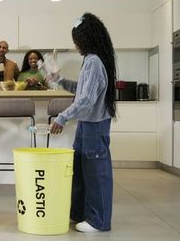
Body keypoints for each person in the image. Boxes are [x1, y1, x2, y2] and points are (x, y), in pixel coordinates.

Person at [47, 13, 117, 233]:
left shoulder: (94, 61)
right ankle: (78, 213)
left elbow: (86, 99)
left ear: (86, 39)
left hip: (94, 126)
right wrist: (60, 80)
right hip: (87, 125)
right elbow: (82, 90)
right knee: (79, 169)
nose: (75, 44)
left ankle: (99, 221)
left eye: (77, 39)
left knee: (96, 173)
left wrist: (62, 117)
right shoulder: (90, 60)